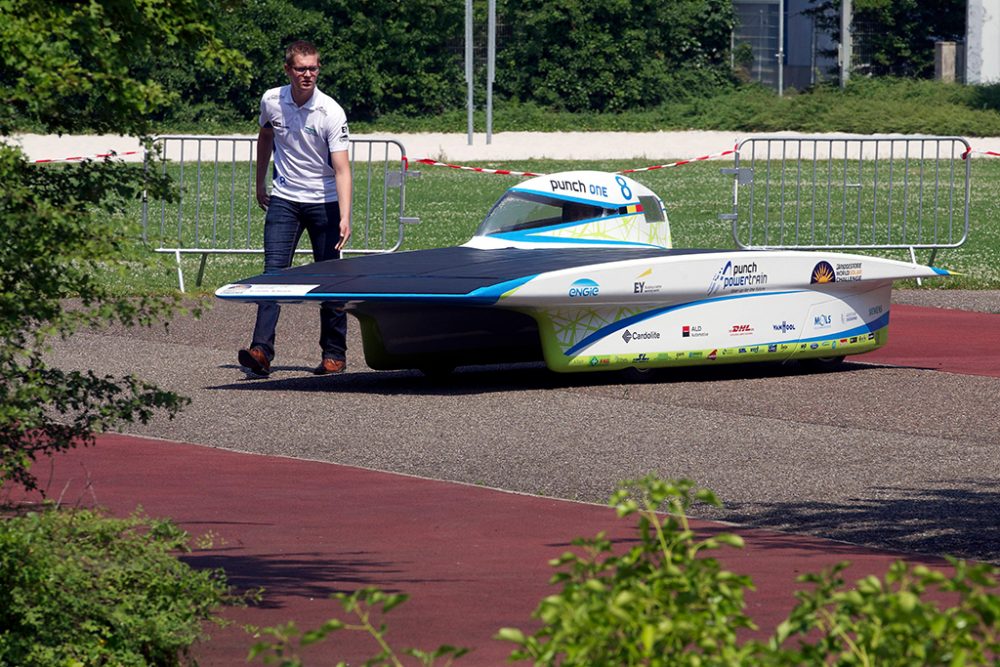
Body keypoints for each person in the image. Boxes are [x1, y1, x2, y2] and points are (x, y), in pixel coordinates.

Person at [238, 40, 353, 377]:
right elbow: (265, 136)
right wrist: (260, 182)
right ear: (288, 69)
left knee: (330, 280)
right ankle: (261, 351)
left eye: (313, 68)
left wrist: (345, 215)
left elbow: (343, 169)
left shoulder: (330, 111)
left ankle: (334, 354)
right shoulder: (271, 100)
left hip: (325, 201)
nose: (308, 74)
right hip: (285, 199)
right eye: (301, 68)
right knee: (272, 275)